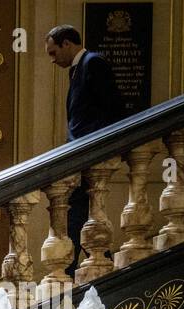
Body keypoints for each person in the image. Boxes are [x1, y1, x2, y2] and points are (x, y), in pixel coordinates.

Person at [45, 24, 126, 275]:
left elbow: (112, 107)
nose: (52, 59)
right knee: (81, 208)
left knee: (77, 208)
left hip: (90, 154)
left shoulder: (93, 63)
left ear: (67, 44)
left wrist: (101, 146)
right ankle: (97, 259)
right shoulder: (79, 68)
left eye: (53, 52)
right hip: (81, 154)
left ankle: (69, 269)